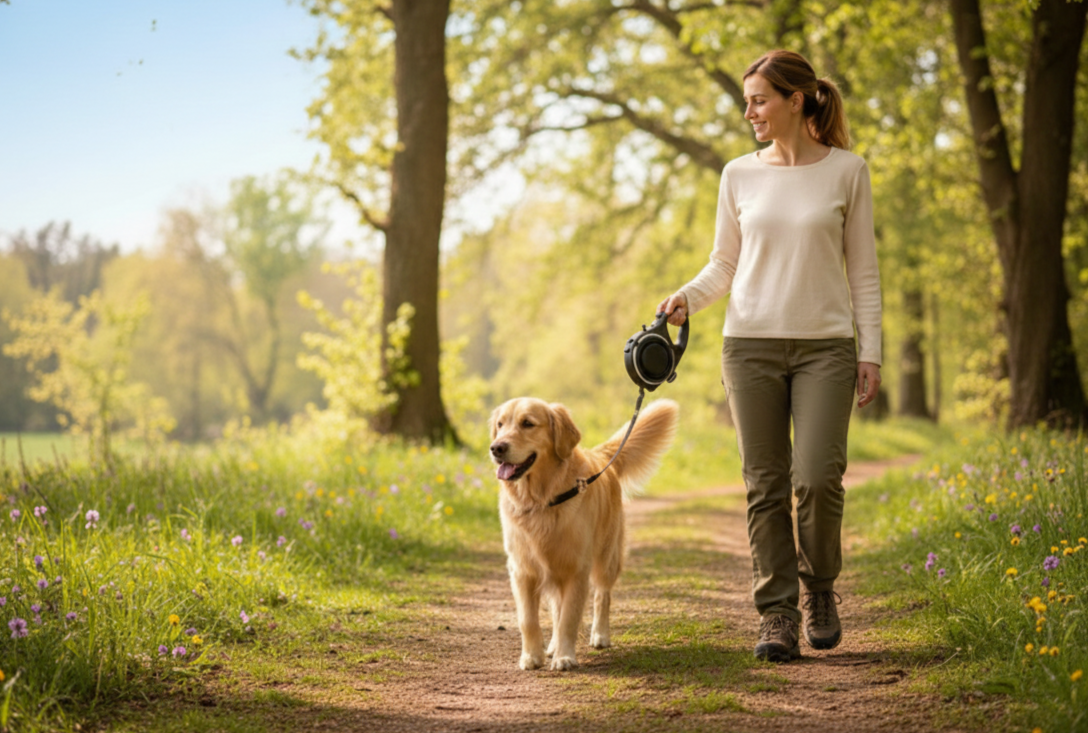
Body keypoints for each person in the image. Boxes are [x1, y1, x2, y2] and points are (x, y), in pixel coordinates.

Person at [658, 49, 882, 663]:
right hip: (749, 346)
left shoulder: (847, 171)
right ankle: (777, 614)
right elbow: (724, 264)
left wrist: (873, 352)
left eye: (759, 99)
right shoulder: (738, 174)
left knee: (816, 479)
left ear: (796, 100)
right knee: (764, 485)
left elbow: (863, 271)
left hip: (827, 349)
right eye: (748, 100)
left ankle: (821, 590)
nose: (749, 111)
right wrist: (687, 297)